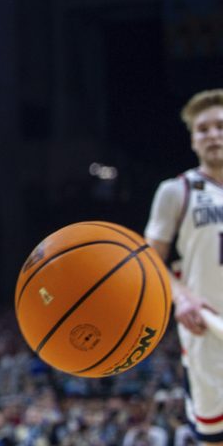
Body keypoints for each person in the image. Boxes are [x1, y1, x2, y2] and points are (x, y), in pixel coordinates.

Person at [145, 88, 223, 445]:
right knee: (214, 436)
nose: (213, 135)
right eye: (203, 129)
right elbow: (150, 260)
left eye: (220, 126)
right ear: (192, 139)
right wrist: (181, 297)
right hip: (207, 330)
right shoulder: (176, 191)